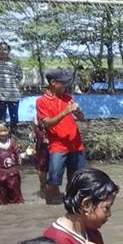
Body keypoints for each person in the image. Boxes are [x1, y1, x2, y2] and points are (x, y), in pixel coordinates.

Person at [36, 69, 85, 204]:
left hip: (76, 145)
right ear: (53, 82)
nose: (65, 86)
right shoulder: (42, 101)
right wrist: (65, 112)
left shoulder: (67, 97)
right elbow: (47, 125)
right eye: (62, 83)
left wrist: (78, 112)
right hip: (58, 146)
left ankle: (72, 204)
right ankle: (50, 207)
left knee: (77, 179)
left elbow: (81, 118)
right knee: (54, 180)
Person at [0, 42, 22, 135]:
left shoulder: (14, 63)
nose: (2, 51)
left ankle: (14, 133)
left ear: (8, 51)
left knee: (14, 117)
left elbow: (20, 75)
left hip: (13, 95)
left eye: (5, 49)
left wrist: (12, 83)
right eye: (0, 49)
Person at [0, 120, 23, 204]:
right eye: (0, 131)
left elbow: (17, 156)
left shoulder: (12, 142)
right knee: (2, 199)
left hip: (13, 173)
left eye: (5, 130)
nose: (3, 133)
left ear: (8, 130)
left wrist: (24, 155)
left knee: (16, 198)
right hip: (0, 173)